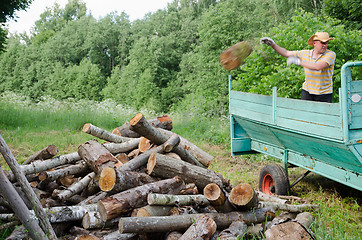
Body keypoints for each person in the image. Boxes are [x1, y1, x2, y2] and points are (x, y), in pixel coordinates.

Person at [260, 32, 336, 103]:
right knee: (304, 115)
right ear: (314, 43)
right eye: (322, 43)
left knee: (322, 117)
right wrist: (273, 45)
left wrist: (298, 62)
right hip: (307, 91)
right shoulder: (305, 53)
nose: (325, 45)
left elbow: (318, 66)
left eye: (326, 43)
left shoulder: (330, 54)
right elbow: (286, 53)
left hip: (324, 94)